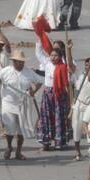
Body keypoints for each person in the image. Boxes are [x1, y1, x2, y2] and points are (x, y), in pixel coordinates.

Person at [33, 19, 74, 150]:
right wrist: (40, 36)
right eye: (51, 55)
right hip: (48, 94)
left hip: (60, 94)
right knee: (45, 117)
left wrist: (68, 50)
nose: (53, 57)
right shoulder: (47, 64)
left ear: (60, 56)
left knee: (59, 118)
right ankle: (45, 143)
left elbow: (69, 74)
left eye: (56, 55)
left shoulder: (63, 66)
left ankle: (59, 142)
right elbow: (39, 53)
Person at [0, 49, 42, 160]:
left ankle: (18, 151)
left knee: (21, 129)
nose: (20, 63)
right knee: (10, 126)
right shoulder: (5, 71)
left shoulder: (28, 72)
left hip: (24, 103)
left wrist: (34, 90)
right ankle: (9, 146)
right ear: (13, 61)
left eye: (22, 61)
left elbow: (40, 81)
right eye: (18, 61)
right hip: (8, 102)